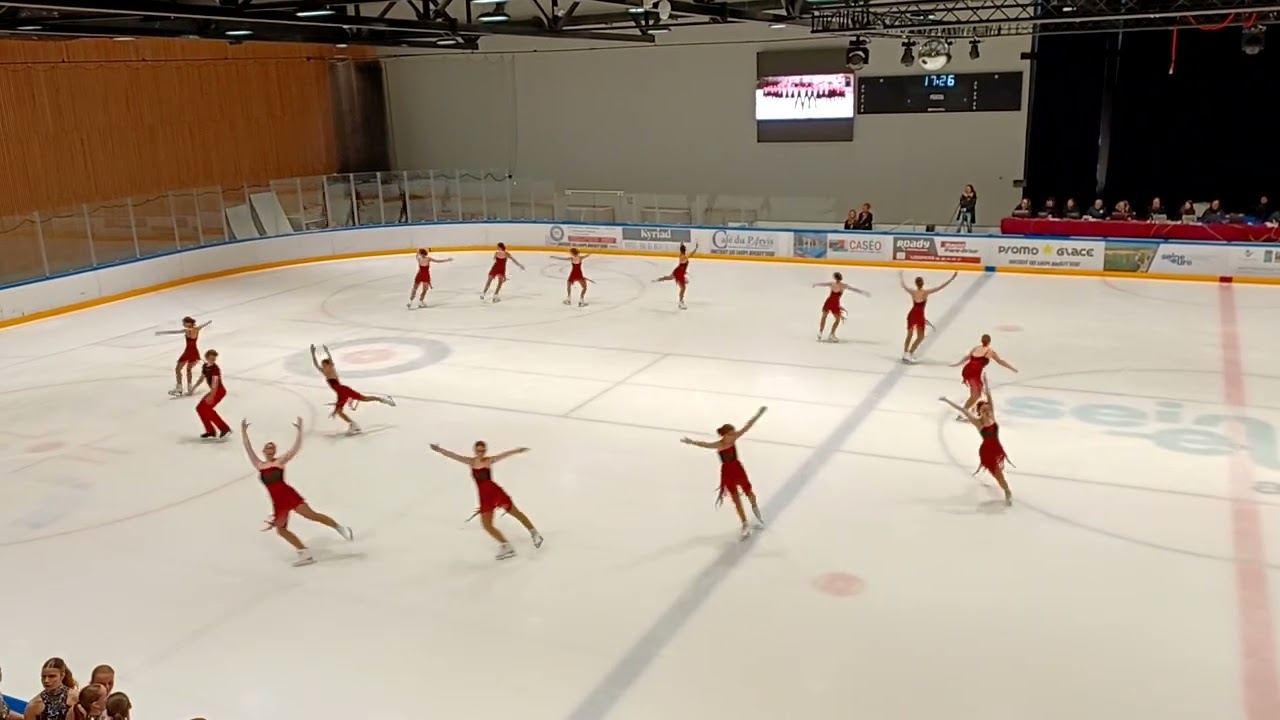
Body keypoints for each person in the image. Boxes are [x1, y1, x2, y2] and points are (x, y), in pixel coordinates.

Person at [242, 417, 354, 566]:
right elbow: (248, 448)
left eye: (272, 448)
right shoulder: (259, 464)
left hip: (289, 496)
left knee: (312, 515)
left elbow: (295, 448)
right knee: (281, 531)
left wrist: (300, 431)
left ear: (274, 451)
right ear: (263, 451)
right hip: (278, 502)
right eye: (267, 448)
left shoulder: (280, 461)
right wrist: (244, 432)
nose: (269, 450)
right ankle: (304, 552)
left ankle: (340, 528)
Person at [429, 441, 543, 560]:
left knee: (515, 513)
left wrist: (517, 450)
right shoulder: (471, 462)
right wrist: (439, 450)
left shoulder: (489, 460)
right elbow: (454, 456)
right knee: (487, 525)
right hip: (484, 497)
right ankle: (506, 545)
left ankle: (535, 534)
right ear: (475, 450)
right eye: (478, 450)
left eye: (483, 451)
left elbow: (504, 455)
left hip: (495, 493)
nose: (481, 453)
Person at [680, 406, 768, 540]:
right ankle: (744, 523)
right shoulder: (719, 445)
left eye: (734, 433)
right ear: (725, 435)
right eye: (731, 434)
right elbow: (704, 444)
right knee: (736, 499)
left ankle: (755, 510)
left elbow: (747, 426)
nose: (734, 436)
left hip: (738, 469)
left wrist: (758, 414)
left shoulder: (733, 439)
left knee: (749, 492)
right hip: (727, 473)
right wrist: (691, 442)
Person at [940, 377, 1012, 505]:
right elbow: (963, 410)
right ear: (979, 412)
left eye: (988, 409)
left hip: (997, 448)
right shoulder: (978, 423)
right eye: (984, 410)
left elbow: (990, 397)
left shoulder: (993, 416)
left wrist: (986, 383)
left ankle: (1004, 487)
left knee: (998, 472)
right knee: (998, 474)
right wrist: (947, 401)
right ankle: (1007, 490)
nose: (987, 411)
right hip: (987, 452)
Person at [310, 344, 395, 435]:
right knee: (340, 411)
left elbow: (330, 360)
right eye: (322, 364)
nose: (322, 366)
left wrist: (327, 352)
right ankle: (353, 425)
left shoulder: (331, 369)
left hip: (343, 390)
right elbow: (315, 364)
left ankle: (383, 400)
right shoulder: (324, 371)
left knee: (363, 399)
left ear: (328, 364)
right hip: (341, 392)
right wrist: (312, 353)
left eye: (323, 364)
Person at [951, 334, 1017, 418]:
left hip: (968, 370)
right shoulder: (989, 351)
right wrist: (1012, 368)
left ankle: (968, 412)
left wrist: (958, 364)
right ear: (989, 342)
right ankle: (963, 414)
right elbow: (1000, 361)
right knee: (975, 396)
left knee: (976, 395)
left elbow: (967, 357)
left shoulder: (976, 348)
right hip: (974, 373)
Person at [900, 271, 957, 362]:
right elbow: (940, 287)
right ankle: (910, 353)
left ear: (916, 283)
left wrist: (901, 275)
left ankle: (905, 353)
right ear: (922, 284)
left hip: (912, 313)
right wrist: (952, 278)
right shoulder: (925, 293)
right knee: (921, 337)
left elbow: (903, 285)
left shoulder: (912, 292)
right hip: (919, 315)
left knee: (909, 335)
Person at [155, 316, 210, 396]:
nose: (183, 324)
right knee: (188, 369)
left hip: (188, 352)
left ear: (189, 323)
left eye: (184, 322)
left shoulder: (188, 330)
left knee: (178, 369)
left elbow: (177, 332)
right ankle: (190, 388)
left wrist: (185, 330)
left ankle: (179, 388)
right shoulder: (196, 329)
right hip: (194, 352)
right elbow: (201, 326)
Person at [811, 272, 868, 342]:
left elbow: (823, 284)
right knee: (837, 320)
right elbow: (853, 289)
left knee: (824, 317)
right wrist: (862, 292)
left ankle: (820, 332)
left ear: (835, 277)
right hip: (835, 304)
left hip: (829, 302)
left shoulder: (832, 284)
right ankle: (831, 334)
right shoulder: (843, 285)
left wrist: (815, 284)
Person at [189, 349, 231, 440]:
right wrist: (193, 388)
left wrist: (212, 396)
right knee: (200, 408)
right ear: (207, 357)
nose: (213, 360)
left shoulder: (215, 369)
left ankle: (224, 428)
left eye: (214, 358)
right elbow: (202, 378)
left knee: (207, 408)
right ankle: (210, 431)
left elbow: (215, 383)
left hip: (218, 391)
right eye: (211, 358)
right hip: (213, 391)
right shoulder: (205, 366)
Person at [653, 242, 698, 310]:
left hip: (679, 270)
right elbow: (691, 254)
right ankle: (680, 301)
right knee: (683, 288)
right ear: (685, 250)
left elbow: (687, 255)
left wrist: (681, 244)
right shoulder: (684, 256)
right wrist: (696, 248)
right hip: (679, 272)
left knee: (671, 278)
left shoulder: (681, 255)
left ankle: (659, 279)